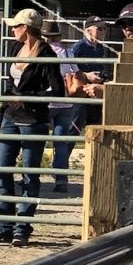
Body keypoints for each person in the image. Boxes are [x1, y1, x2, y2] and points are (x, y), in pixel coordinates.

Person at [0, 8, 63, 248]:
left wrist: (27, 99)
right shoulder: (15, 49)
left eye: (16, 26)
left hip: (33, 120)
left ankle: (22, 227)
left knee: (29, 173)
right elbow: (9, 86)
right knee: (3, 169)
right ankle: (4, 225)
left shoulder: (46, 54)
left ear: (25, 28)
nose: (12, 30)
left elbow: (57, 90)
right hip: (10, 117)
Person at [40, 19, 87, 196]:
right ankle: (61, 179)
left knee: (37, 140)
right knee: (60, 142)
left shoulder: (42, 53)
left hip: (47, 102)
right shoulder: (67, 53)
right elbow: (77, 73)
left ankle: (32, 176)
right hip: (67, 102)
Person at [72, 16, 113, 129]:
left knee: (95, 125)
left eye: (104, 28)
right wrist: (87, 75)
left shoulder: (99, 47)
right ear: (88, 30)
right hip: (81, 91)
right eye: (99, 29)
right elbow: (69, 68)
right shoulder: (78, 47)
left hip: (94, 91)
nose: (103, 31)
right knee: (75, 126)